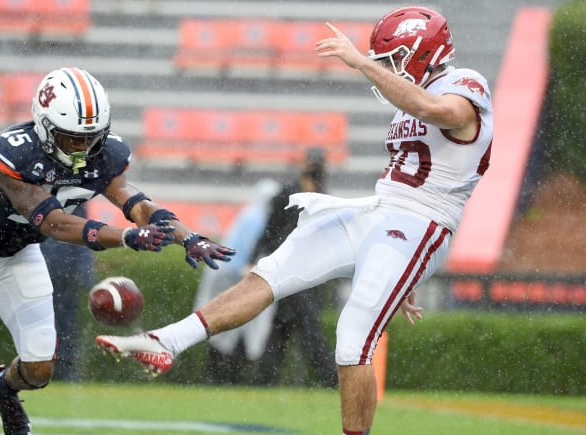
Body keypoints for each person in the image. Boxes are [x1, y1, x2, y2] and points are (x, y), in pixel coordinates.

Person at [96, 6, 493, 434]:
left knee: (354, 334)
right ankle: (167, 342)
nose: (386, 70)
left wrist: (360, 63)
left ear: (424, 54)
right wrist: (403, 272)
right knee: (269, 274)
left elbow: (443, 113)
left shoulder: (464, 84)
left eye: (394, 60)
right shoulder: (411, 102)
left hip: (421, 223)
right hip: (378, 212)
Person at [0, 67, 235, 435]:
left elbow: (135, 201)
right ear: (45, 127)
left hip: (17, 256)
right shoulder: (13, 154)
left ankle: (3, 389)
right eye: (73, 139)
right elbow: (54, 224)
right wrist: (126, 238)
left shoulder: (105, 154)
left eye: (91, 138)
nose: (83, 148)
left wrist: (187, 236)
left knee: (38, 371)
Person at [251, 149, 338, 388]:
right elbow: (268, 231)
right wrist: (256, 259)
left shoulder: (324, 199)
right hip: (287, 270)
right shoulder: (286, 196)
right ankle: (331, 379)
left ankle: (263, 380)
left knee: (281, 329)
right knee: (308, 329)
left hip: (307, 273)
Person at [192, 178, 281, 384]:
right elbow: (244, 256)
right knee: (229, 325)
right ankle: (223, 376)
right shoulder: (256, 218)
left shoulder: (250, 215)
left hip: (228, 275)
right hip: (231, 277)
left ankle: (221, 376)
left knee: (223, 327)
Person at [40, 205, 95, 382]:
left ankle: (65, 370)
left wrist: (86, 273)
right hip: (42, 273)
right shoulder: (32, 194)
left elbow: (85, 233)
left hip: (66, 277)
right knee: (40, 324)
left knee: (67, 326)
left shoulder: (75, 199)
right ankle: (38, 367)